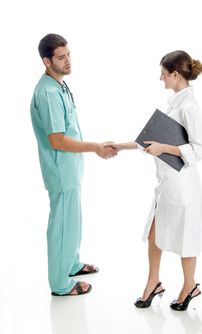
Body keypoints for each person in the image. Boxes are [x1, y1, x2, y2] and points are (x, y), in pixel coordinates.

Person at [113, 50, 202, 310]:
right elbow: (152, 138)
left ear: (176, 74)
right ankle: (154, 282)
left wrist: (164, 149)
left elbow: (200, 149)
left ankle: (190, 285)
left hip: (183, 186)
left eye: (163, 73)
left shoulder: (190, 106)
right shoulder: (175, 103)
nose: (161, 78)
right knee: (154, 232)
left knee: (186, 235)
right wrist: (120, 146)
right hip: (167, 183)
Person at [30, 33, 117, 296]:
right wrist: (95, 148)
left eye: (69, 54)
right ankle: (60, 283)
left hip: (71, 169)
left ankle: (72, 264)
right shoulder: (47, 93)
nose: (68, 61)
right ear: (46, 61)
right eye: (61, 57)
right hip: (60, 170)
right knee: (61, 226)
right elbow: (57, 140)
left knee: (73, 221)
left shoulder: (60, 85)